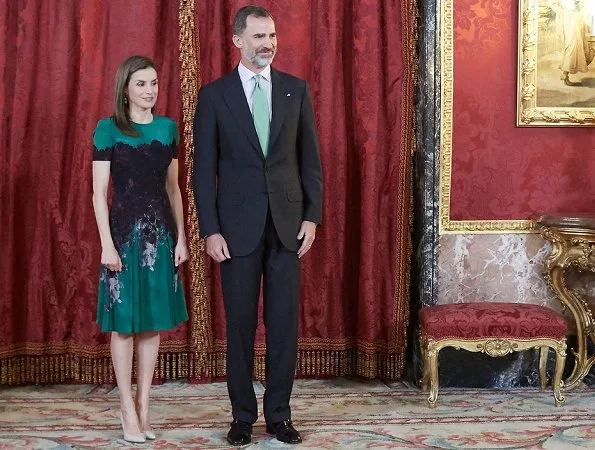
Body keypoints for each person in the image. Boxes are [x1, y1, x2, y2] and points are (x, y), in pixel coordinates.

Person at [193, 5, 323, 446]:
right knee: (241, 325)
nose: (268, 44)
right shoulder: (214, 96)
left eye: (272, 36)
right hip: (235, 230)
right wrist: (210, 230)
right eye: (259, 37)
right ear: (237, 40)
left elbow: (310, 162)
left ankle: (280, 416)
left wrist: (312, 216)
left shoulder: (295, 90)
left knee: (284, 324)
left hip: (288, 227)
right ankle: (242, 417)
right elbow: (202, 169)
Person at [92, 55, 189, 444]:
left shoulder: (168, 129)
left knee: (152, 325)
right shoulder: (108, 130)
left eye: (154, 83)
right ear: (126, 89)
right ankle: (126, 410)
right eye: (141, 84)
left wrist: (181, 238)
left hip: (161, 239)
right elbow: (98, 193)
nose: (150, 90)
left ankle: (145, 407)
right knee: (124, 325)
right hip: (122, 239)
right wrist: (106, 245)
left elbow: (173, 189)